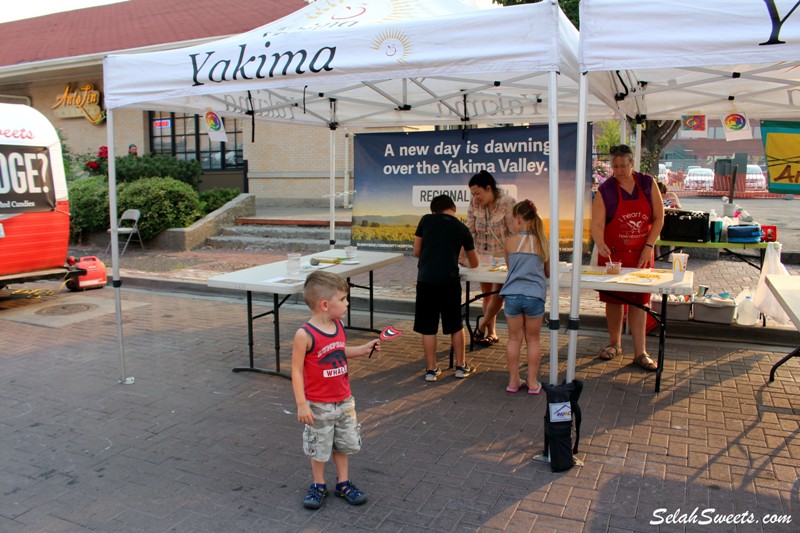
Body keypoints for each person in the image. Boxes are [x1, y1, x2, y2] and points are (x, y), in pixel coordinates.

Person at [290, 270, 381, 510]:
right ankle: (318, 484)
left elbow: (340, 350)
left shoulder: (338, 325)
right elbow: (297, 370)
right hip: (318, 404)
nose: (347, 303)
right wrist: (301, 403)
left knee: (343, 444)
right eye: (342, 299)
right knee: (319, 446)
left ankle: (343, 483)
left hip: (343, 401)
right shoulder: (305, 334)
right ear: (324, 304)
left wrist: (363, 348)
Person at [590, 144, 664, 371]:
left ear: (632, 164)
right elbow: (597, 224)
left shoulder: (647, 183)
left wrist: (649, 246)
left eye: (623, 165)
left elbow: (659, 218)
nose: (619, 170)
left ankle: (640, 352)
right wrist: (600, 243)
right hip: (614, 255)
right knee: (613, 300)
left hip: (642, 253)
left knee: (640, 302)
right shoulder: (606, 190)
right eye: (615, 166)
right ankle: (615, 344)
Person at [414, 194, 479, 381]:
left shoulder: (426, 220)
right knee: (455, 325)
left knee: (428, 328)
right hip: (449, 281)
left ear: (433, 210)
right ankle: (461, 366)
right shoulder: (462, 228)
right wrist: (461, 260)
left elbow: (417, 251)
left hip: (426, 280)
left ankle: (431, 370)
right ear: (454, 208)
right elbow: (474, 262)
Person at [500, 200, 550, 394]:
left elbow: (510, 268)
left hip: (512, 295)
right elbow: (547, 272)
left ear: (519, 219)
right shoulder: (543, 241)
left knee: (514, 340)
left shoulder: (509, 241)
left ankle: (513, 382)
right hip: (534, 296)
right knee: (533, 340)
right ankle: (532, 382)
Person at [466, 169, 516, 346]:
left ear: (489, 188)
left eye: (478, 193)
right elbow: (469, 230)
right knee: (487, 295)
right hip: (482, 257)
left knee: (498, 295)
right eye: (472, 194)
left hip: (503, 258)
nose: (475, 197)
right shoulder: (474, 204)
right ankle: (491, 332)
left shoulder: (508, 203)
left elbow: (514, 233)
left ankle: (481, 327)